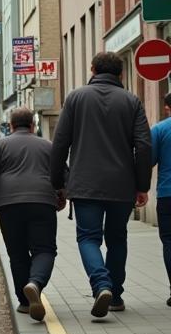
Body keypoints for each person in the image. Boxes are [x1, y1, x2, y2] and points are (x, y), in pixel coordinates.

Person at [51, 51, 151, 318]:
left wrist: (58, 183)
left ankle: (101, 284)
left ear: (92, 69)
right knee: (117, 238)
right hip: (122, 185)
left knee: (88, 237)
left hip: (85, 185)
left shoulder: (76, 98)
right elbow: (143, 145)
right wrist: (142, 185)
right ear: (121, 74)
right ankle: (115, 294)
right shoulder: (131, 101)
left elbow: (60, 144)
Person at [0, 107, 63, 321]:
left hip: (8, 205)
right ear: (33, 126)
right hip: (42, 201)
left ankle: (25, 302)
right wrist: (62, 195)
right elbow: (61, 172)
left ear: (11, 126)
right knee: (44, 249)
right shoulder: (48, 146)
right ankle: (35, 283)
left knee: (17, 254)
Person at [150, 92, 171, 307]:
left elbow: (149, 159)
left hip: (168, 194)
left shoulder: (160, 129)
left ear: (167, 107)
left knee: (169, 242)